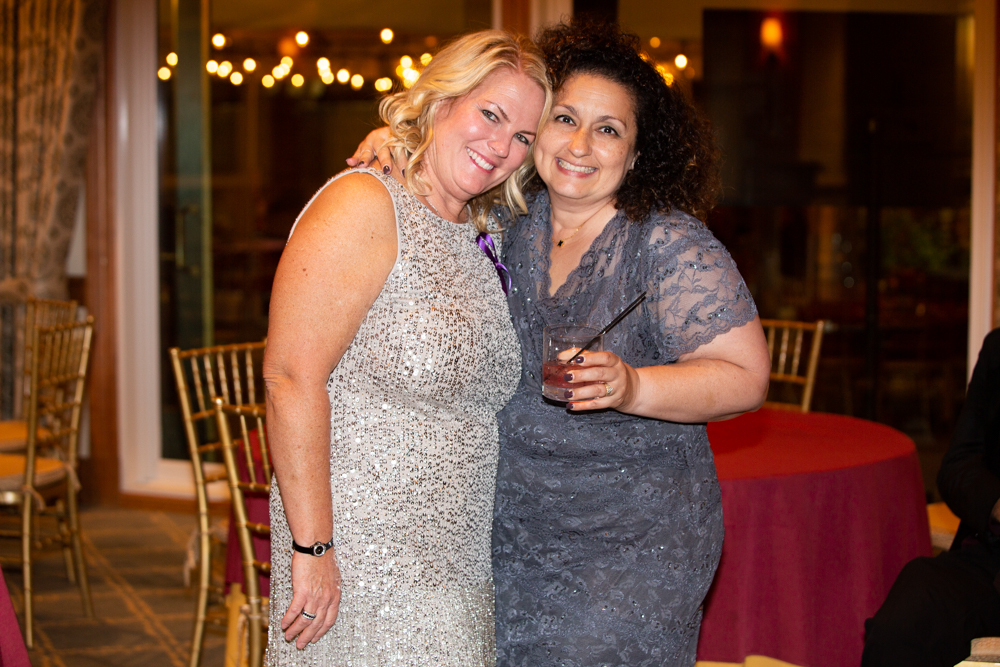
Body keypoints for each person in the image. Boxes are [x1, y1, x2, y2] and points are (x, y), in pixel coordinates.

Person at [351, 21, 770, 666]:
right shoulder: (505, 219)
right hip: (507, 530)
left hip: (632, 544)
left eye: (608, 130)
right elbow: (440, 177)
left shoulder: (665, 244)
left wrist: (634, 385)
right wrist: (400, 140)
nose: (580, 144)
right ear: (537, 131)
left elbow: (745, 376)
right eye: (565, 119)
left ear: (637, 154)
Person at [262, 30, 549, 666]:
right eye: (490, 114)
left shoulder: (486, 231)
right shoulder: (364, 202)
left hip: (456, 559)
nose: (501, 146)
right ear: (442, 100)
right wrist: (313, 548)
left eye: (523, 137)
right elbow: (289, 377)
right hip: (358, 555)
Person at [862, 329, 1000, 667]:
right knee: (907, 614)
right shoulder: (998, 349)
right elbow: (957, 466)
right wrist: (997, 503)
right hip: (989, 559)